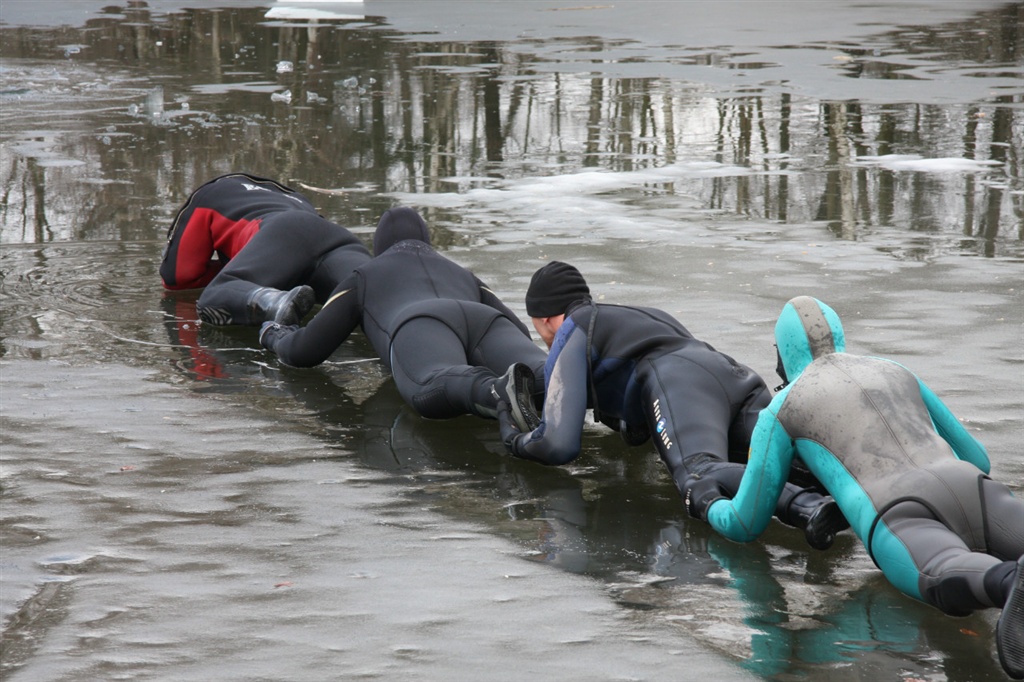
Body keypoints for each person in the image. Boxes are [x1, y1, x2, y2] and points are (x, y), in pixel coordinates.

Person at [689, 295, 1024, 679]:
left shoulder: (782, 408)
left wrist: (707, 502)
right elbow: (978, 458)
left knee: (939, 569)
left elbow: (745, 523)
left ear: (782, 353)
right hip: (975, 487)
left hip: (899, 511)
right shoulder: (893, 369)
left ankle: (1009, 580)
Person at [494, 261, 848, 550]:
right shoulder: (638, 315)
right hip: (728, 375)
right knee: (788, 456)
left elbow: (558, 443)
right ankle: (855, 499)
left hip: (677, 381)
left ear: (543, 318)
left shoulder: (573, 327)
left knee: (699, 472)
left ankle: (809, 508)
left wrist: (513, 438)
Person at [259, 207, 547, 423]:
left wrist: (276, 334)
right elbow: (519, 331)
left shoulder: (364, 275)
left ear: (379, 248)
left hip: (420, 322)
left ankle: (495, 392)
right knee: (544, 372)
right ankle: (584, 376)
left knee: (433, 382)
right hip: (487, 321)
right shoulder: (463, 274)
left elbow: (305, 351)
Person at [160, 173, 371, 326]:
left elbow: (178, 278)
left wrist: (230, 270)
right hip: (335, 236)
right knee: (371, 296)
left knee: (214, 297)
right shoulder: (295, 197)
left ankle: (273, 302)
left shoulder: (207, 195)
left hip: (280, 233)